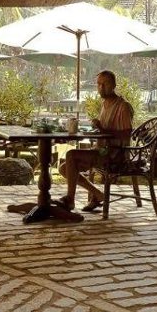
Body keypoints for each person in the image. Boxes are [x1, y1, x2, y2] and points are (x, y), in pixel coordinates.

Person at [58, 70, 133, 212]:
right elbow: (105, 130)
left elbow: (126, 134)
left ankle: (70, 200)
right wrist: (97, 128)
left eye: (105, 84)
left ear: (114, 85)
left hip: (115, 155)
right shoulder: (105, 104)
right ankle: (98, 194)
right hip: (101, 151)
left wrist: (102, 129)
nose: (101, 87)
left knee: (71, 155)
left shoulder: (123, 106)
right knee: (63, 168)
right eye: (99, 84)